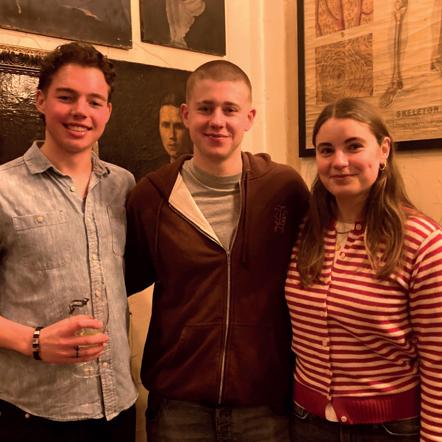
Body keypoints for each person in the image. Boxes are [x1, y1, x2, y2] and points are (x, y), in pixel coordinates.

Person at [125, 59, 310, 441]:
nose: (217, 121)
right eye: (206, 108)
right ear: (186, 114)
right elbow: (118, 281)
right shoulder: (152, 196)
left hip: (264, 406)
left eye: (230, 109)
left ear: (249, 118)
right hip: (179, 407)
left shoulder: (284, 189)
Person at [0, 42, 138, 442]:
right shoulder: (4, 189)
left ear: (107, 111)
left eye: (94, 101)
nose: (81, 111)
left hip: (117, 408)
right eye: (66, 97)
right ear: (40, 101)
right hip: (34, 413)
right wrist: (34, 341)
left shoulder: (124, 186)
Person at [285, 97, 442, 441]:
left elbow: (437, 359)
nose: (339, 162)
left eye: (353, 146)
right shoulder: (305, 231)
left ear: (384, 150)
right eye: (326, 150)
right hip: (307, 422)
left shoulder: (422, 241)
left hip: (388, 429)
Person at [158, 92, 192, 162]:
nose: (172, 135)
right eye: (166, 125)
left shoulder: (204, 166)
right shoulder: (150, 167)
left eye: (178, 126)